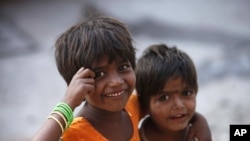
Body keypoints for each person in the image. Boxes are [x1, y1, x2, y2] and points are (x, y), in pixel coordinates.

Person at [32, 16, 211, 141]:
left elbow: (168, 106)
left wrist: (198, 120)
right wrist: (68, 102)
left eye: (123, 67)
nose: (117, 81)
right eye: (99, 74)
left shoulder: (132, 106)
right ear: (77, 84)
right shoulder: (76, 133)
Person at [136, 44, 212, 141]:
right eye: (164, 98)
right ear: (145, 104)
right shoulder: (134, 136)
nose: (179, 105)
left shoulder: (199, 136)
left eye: (186, 93)